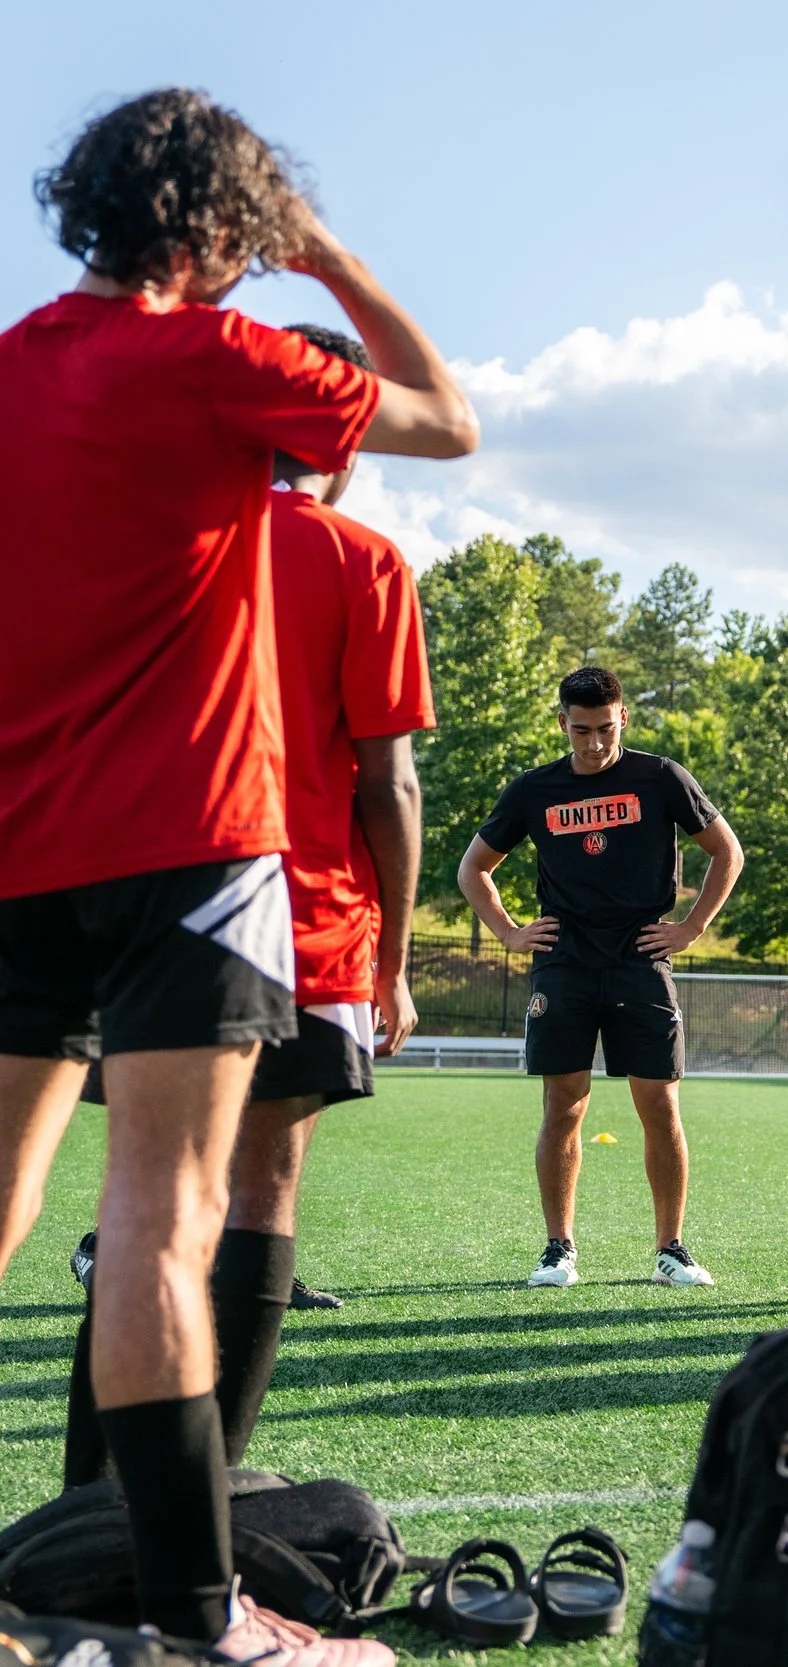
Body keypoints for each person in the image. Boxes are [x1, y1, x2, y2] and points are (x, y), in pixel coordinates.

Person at [0, 88, 473, 1661]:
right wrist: (326, 255)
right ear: (224, 231)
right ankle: (209, 1629)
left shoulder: (8, 370)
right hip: (187, 846)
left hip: (16, 847)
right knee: (160, 1214)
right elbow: (442, 412)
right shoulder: (212, 361)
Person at [61, 322, 435, 1491]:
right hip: (306, 919)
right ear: (339, 436)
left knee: (149, 1202)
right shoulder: (364, 561)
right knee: (263, 1190)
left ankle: (83, 1511)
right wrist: (395, 961)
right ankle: (198, 1509)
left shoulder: (156, 546)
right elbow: (391, 783)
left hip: (145, 913)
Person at [457, 667, 744, 1289]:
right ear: (562, 722)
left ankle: (671, 1249)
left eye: (605, 729)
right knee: (564, 1105)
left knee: (660, 1103)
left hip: (641, 959)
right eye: (581, 730)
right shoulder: (534, 789)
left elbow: (727, 851)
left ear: (624, 720)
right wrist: (509, 932)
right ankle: (558, 1249)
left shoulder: (660, 777)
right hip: (564, 963)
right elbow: (473, 868)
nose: (594, 743)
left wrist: (690, 927)